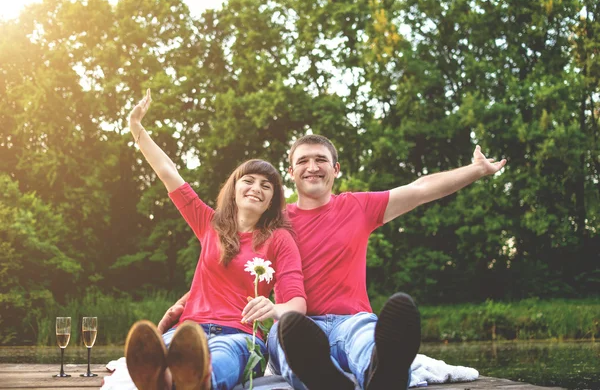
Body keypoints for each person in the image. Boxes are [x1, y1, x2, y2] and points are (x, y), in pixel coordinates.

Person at [158, 134, 507, 390]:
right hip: (296, 325)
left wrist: (475, 171)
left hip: (349, 317)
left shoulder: (359, 207)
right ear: (291, 173)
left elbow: (420, 188)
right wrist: (192, 301)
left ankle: (381, 375)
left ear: (335, 169)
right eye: (303, 161)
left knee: (364, 340)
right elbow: (234, 260)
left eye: (321, 160)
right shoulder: (272, 222)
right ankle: (322, 381)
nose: (312, 167)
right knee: (286, 339)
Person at [124, 89, 307, 390]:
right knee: (169, 351)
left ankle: (195, 381)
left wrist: (274, 309)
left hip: (239, 336)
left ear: (273, 200)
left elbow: (297, 304)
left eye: (266, 186)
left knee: (220, 357)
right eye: (248, 180)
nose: (256, 188)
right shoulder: (209, 223)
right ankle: (162, 378)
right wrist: (136, 128)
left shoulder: (280, 240)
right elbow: (168, 172)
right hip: (189, 332)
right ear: (234, 189)